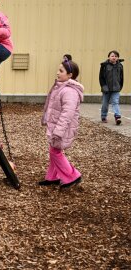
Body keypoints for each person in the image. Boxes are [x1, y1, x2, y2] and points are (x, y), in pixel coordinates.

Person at [39, 58, 83, 189]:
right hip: (56, 126)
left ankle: (72, 176)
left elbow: (67, 114)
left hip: (62, 128)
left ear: (70, 75)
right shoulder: (61, 87)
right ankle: (53, 177)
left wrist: (58, 131)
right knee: (54, 149)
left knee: (55, 152)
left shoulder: (69, 91)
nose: (57, 73)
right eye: (58, 70)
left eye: (61, 71)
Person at [99, 50, 124, 125]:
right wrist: (103, 86)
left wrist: (120, 86)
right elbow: (101, 77)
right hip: (106, 88)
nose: (114, 57)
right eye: (112, 56)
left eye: (116, 56)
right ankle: (103, 116)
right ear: (109, 57)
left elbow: (121, 77)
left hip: (116, 88)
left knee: (115, 102)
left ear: (118, 58)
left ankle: (117, 117)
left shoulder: (120, 66)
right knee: (105, 104)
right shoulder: (104, 65)